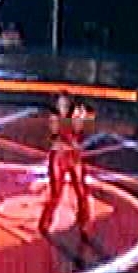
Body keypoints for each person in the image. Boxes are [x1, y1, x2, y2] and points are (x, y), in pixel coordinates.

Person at [38, 92, 95, 242]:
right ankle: (45, 224)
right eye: (59, 103)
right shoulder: (54, 117)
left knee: (81, 192)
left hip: (74, 157)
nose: (62, 106)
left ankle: (84, 225)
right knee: (56, 193)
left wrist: (82, 117)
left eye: (64, 103)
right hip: (58, 157)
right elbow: (57, 133)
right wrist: (77, 119)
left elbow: (81, 130)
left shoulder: (75, 116)